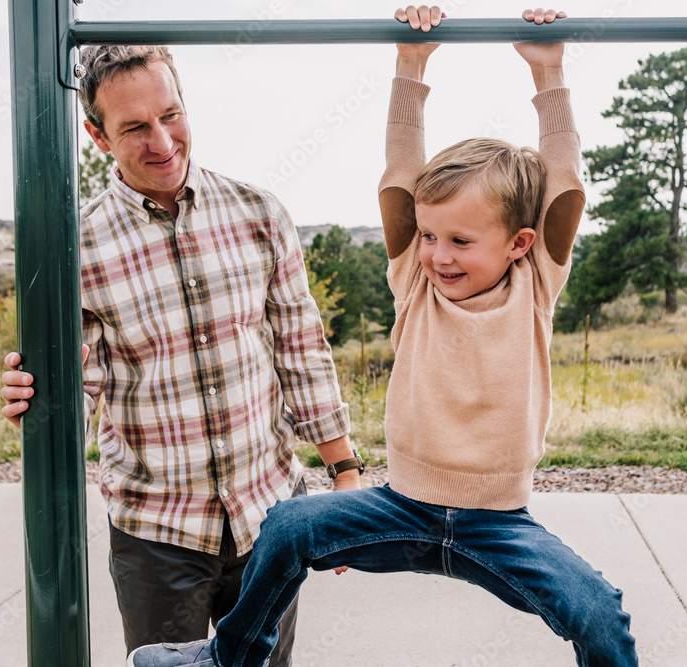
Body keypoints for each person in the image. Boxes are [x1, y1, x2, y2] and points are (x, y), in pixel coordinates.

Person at [127, 6, 638, 667]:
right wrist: (410, 65)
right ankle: (227, 659)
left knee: (600, 612)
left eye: (460, 240)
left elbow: (564, 184)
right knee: (286, 527)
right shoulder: (416, 283)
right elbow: (402, 174)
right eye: (429, 236)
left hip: (500, 525)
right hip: (401, 509)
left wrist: (549, 71)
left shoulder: (534, 286)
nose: (438, 255)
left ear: (519, 243)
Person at [0, 44, 364, 665]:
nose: (162, 141)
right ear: (97, 135)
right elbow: (73, 385)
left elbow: (302, 350)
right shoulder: (75, 246)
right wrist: (30, 401)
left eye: (170, 115)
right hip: (157, 535)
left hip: (270, 515)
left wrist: (345, 473)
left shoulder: (258, 213)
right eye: (135, 127)